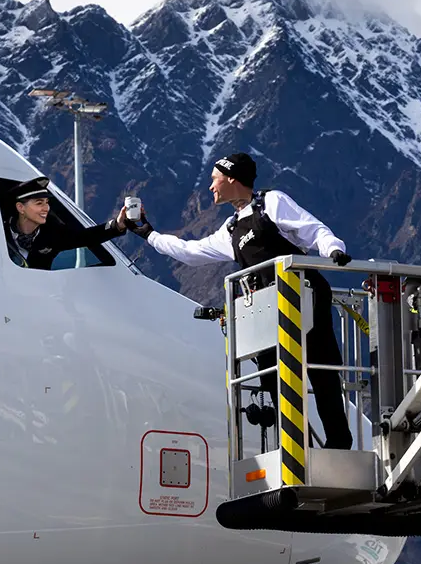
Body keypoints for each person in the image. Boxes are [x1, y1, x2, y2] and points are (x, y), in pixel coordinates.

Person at [125, 153, 354, 449]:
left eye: (214, 179)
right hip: (267, 309)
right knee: (274, 380)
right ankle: (300, 449)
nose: (211, 187)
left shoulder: (271, 202)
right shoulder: (231, 228)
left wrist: (333, 249)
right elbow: (190, 252)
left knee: (322, 370)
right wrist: (149, 234)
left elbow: (313, 230)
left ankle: (339, 443)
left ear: (232, 178)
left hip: (305, 295)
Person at [4, 176, 128, 270]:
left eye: (47, 202)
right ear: (21, 208)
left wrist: (117, 225)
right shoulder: (0, 230)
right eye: (39, 203)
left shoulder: (52, 233)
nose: (46, 208)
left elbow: (86, 237)